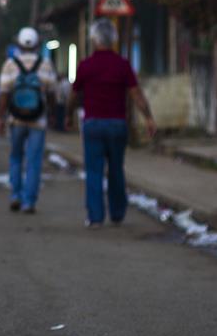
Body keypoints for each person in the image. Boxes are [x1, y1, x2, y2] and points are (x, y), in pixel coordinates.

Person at [67, 18, 158, 228]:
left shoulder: (85, 66)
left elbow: (73, 95)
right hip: (117, 125)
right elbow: (137, 95)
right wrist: (149, 118)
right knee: (116, 169)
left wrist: (67, 115)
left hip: (93, 125)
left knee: (94, 171)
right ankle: (117, 213)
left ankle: (96, 217)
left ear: (93, 39)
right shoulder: (122, 65)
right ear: (113, 40)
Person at [0, 27, 58, 213]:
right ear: (37, 44)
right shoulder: (46, 63)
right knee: (34, 160)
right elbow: (52, 93)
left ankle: (15, 194)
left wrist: (1, 118)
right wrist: (53, 114)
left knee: (16, 157)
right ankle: (29, 202)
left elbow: (4, 95)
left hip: (16, 119)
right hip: (38, 120)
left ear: (19, 44)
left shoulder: (10, 64)